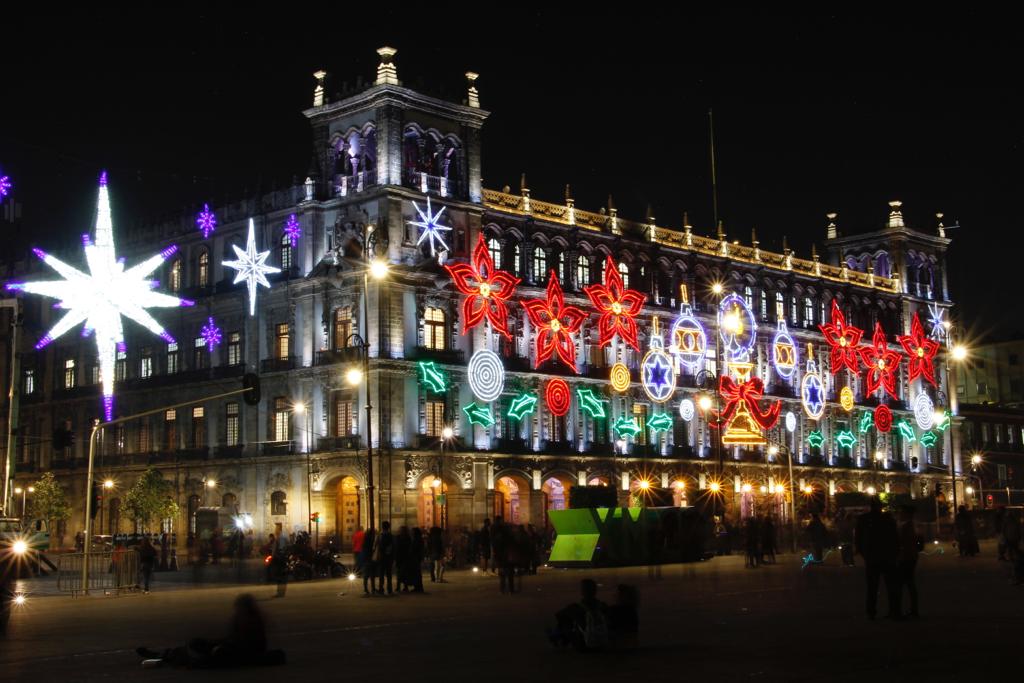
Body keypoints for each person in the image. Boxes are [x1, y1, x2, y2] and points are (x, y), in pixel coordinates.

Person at [136, 593, 283, 668]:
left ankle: (165, 656)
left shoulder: (251, 623)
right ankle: (165, 654)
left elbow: (244, 646)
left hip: (238, 651)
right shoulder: (246, 620)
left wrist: (221, 645)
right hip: (235, 647)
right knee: (198, 644)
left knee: (200, 647)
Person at [855, 497, 900, 620]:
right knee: (890, 586)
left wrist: (863, 553)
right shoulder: (888, 519)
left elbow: (858, 539)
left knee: (872, 587)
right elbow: (895, 538)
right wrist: (895, 554)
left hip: (872, 557)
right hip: (887, 557)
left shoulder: (864, 519)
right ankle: (893, 611)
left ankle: (871, 612)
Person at [548, 578, 609, 651]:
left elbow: (559, 615)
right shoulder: (603, 605)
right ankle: (559, 637)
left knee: (565, 621)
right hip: (603, 643)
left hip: (583, 645)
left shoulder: (575, 607)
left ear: (582, 592)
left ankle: (559, 639)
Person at [896, 506, 921, 618]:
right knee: (910, 583)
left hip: (906, 557)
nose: (900, 515)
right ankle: (913, 609)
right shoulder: (913, 525)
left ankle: (902, 610)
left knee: (903, 583)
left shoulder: (906, 526)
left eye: (901, 513)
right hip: (912, 556)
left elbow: (901, 541)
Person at [375, 521, 395, 595]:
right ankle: (389, 589)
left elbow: (377, 545)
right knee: (389, 574)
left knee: (381, 574)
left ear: (382, 526)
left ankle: (381, 589)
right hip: (388, 557)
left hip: (382, 557)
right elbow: (392, 546)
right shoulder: (391, 535)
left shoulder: (380, 535)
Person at [394, 526, 411, 592]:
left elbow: (396, 547)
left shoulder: (399, 538)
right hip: (403, 557)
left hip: (402, 557)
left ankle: (401, 586)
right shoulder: (407, 538)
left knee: (401, 572)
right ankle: (403, 586)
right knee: (402, 572)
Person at [361, 527, 377, 596]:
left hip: (366, 559)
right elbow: (372, 549)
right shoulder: (370, 540)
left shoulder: (366, 539)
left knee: (366, 575)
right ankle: (372, 589)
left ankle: (366, 589)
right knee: (371, 575)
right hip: (369, 559)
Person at [409, 527, 425, 592]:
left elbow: (414, 548)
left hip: (415, 557)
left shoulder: (416, 539)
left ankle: (418, 587)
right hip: (417, 557)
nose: (411, 532)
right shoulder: (418, 539)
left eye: (412, 531)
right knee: (417, 573)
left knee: (416, 573)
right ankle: (418, 587)